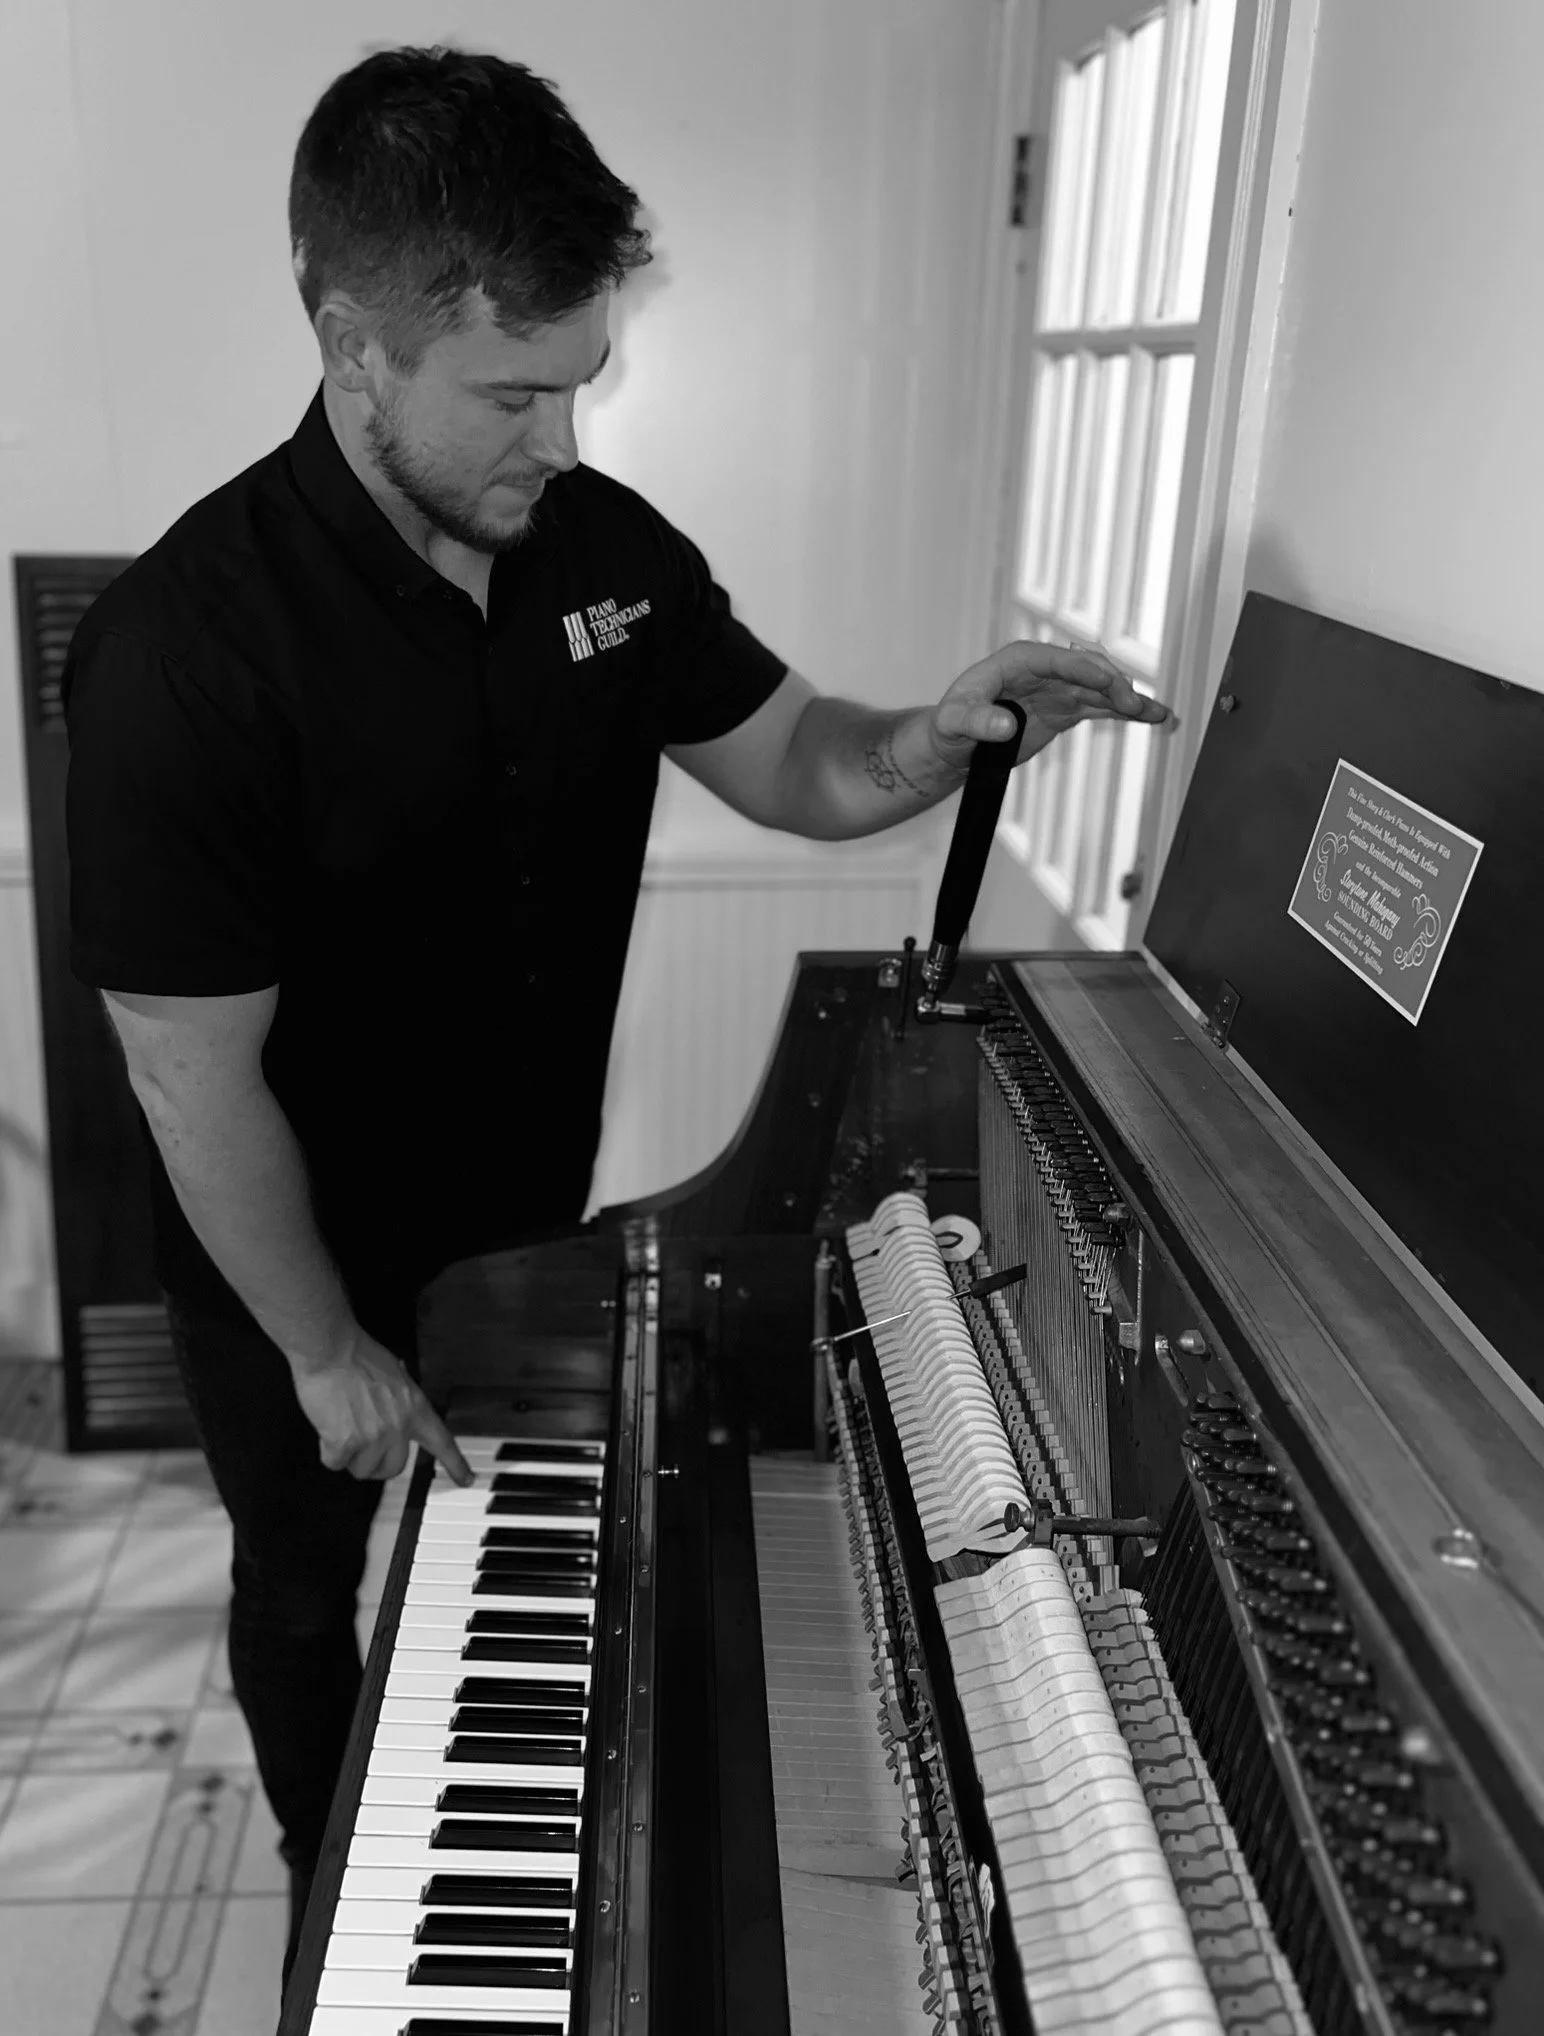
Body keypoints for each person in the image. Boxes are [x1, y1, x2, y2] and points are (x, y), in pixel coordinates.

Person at [61, 44, 1170, 1995]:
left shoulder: (602, 555)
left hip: (529, 1234)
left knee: (500, 1614)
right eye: (510, 392)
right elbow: (186, 1070)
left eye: (576, 381)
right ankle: (344, 1917)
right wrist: (325, 1353)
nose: (558, 437)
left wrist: (942, 729)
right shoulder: (184, 653)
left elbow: (801, 759)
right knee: (317, 1607)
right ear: (349, 338)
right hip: (294, 1272)